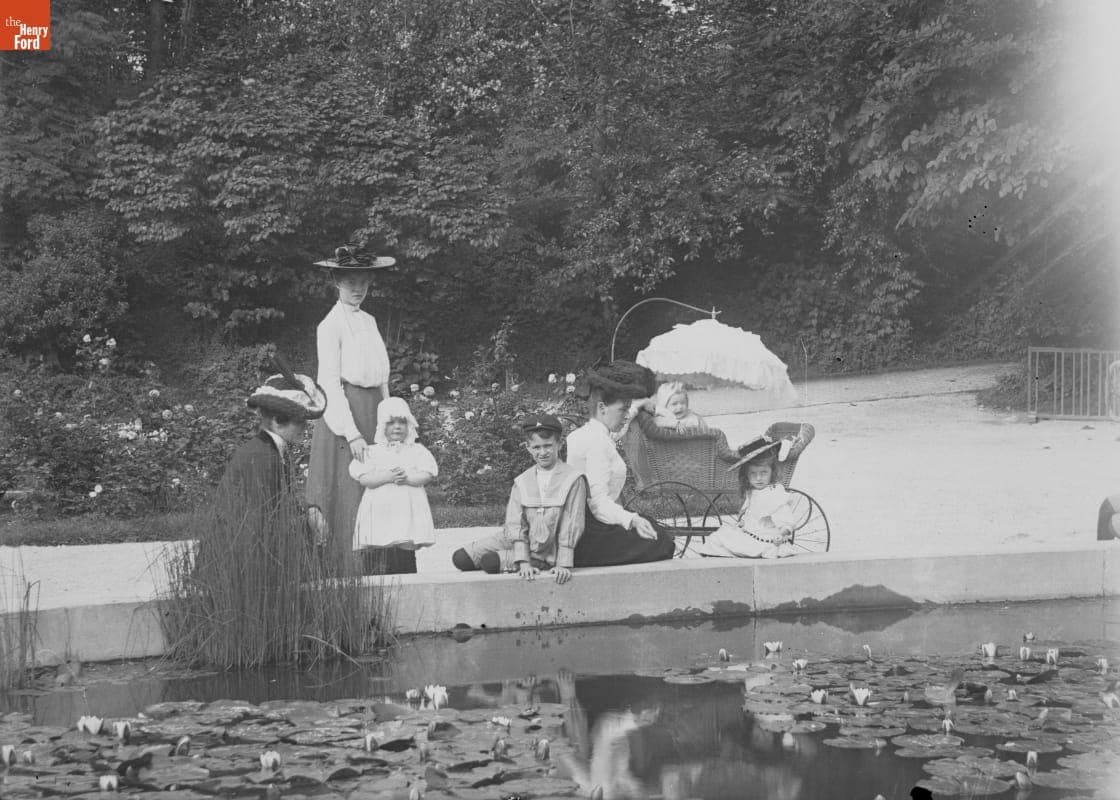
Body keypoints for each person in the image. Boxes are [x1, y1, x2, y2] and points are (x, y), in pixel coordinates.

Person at [305, 245, 395, 565]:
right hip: (347, 416)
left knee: (381, 490)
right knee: (350, 493)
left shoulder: (369, 321)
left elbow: (381, 377)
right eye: (350, 282)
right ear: (336, 282)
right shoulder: (330, 326)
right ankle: (348, 571)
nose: (358, 289)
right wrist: (353, 433)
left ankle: (383, 568)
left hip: (374, 413)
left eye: (364, 282)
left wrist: (391, 416)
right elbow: (329, 382)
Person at [452, 414, 588, 583]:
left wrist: (564, 564)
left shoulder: (573, 479)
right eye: (536, 447)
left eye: (548, 446)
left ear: (559, 444)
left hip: (546, 547)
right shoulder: (523, 480)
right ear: (528, 448)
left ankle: (536, 562)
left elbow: (572, 523)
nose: (543, 452)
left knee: (490, 562)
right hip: (517, 538)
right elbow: (516, 522)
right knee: (461, 558)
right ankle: (521, 557)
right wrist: (523, 562)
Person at [567, 361, 675, 566]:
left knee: (653, 528)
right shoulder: (597, 442)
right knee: (662, 542)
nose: (626, 415)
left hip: (587, 521)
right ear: (602, 407)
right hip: (589, 530)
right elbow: (597, 503)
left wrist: (637, 406)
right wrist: (631, 519)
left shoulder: (590, 433)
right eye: (622, 410)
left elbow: (618, 430)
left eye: (627, 409)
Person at [348, 396, 437, 574]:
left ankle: (406, 572)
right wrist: (387, 477)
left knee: (404, 545)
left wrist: (409, 479)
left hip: (406, 509)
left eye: (402, 422)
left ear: (409, 425)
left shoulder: (417, 450)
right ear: (382, 426)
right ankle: (376, 578)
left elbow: (427, 474)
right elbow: (364, 479)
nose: (397, 427)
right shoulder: (372, 451)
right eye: (391, 422)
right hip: (379, 510)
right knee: (377, 547)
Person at [685, 443, 798, 559]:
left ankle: (724, 555)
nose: (758, 478)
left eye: (764, 473)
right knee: (720, 535)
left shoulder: (774, 494)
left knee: (721, 538)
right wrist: (743, 523)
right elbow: (753, 514)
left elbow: (786, 520)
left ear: (772, 472)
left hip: (766, 541)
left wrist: (781, 533)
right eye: (753, 474)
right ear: (747, 476)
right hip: (752, 534)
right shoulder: (754, 492)